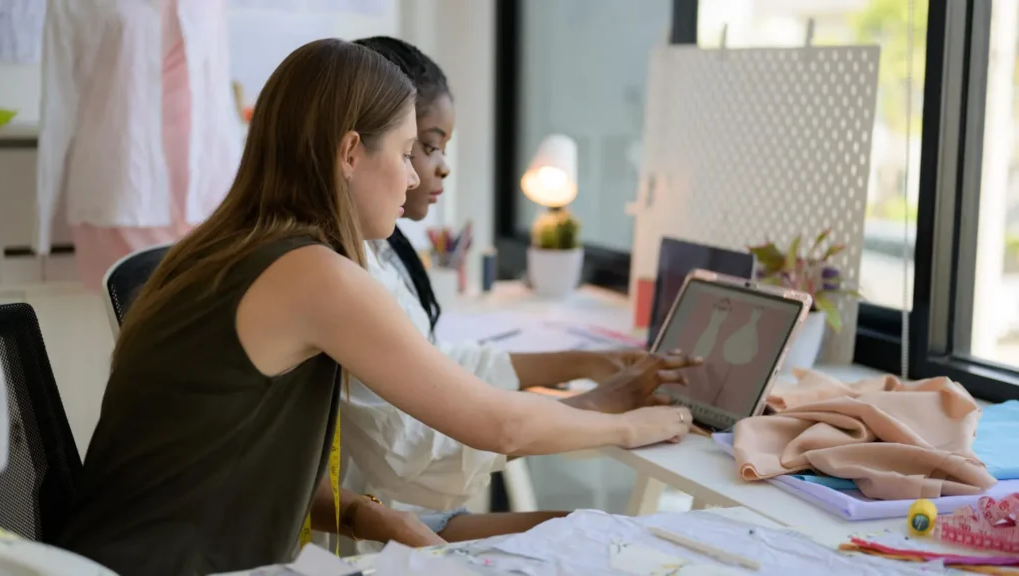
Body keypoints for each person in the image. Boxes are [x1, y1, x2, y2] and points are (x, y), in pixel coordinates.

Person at [56, 39, 695, 576]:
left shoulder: (221, 250)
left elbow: (224, 457)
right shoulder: (316, 276)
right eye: (407, 150)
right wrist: (630, 426)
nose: (417, 177)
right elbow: (497, 426)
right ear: (351, 153)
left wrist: (363, 513)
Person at [339, 36, 695, 546]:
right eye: (420, 146)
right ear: (354, 149)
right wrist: (604, 410)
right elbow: (420, 450)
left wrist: (583, 364)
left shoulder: (381, 253)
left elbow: (436, 368)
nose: (434, 169)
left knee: (603, 532)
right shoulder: (342, 276)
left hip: (386, 509)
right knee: (607, 539)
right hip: (378, 515)